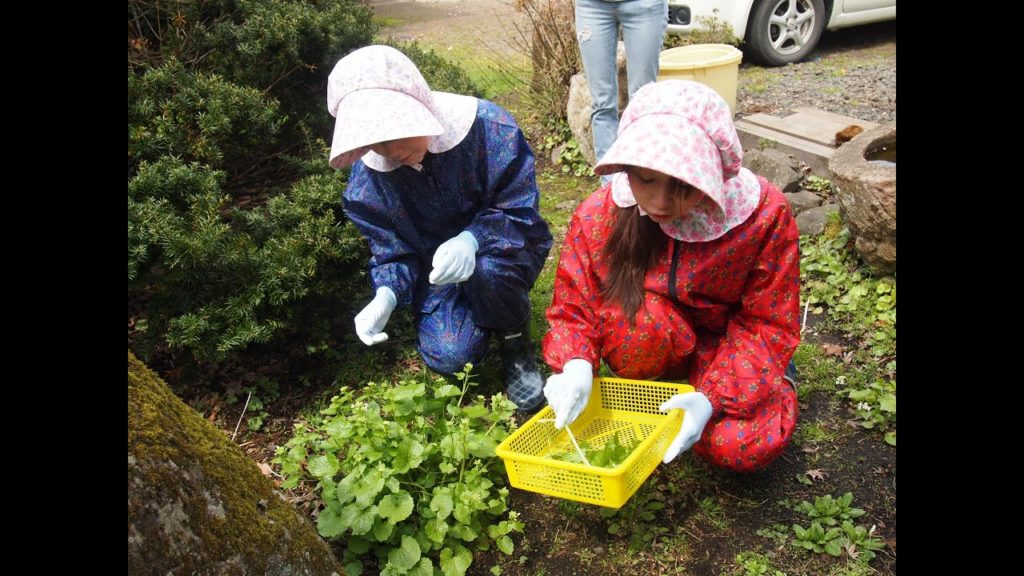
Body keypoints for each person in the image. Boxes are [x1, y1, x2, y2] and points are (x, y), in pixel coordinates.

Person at [542, 80, 800, 472]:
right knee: (630, 327)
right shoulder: (600, 215)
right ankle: (677, 384)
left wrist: (713, 397)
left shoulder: (763, 216)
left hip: (737, 345)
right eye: (645, 179)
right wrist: (575, 363)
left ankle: (769, 382)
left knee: (741, 445)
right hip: (664, 334)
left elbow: (768, 322)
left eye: (682, 185)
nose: (660, 202)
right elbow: (575, 302)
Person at [327, 45, 553, 411]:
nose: (392, 151)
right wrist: (385, 294)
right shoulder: (368, 183)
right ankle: (477, 316)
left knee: (488, 272)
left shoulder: (489, 129)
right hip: (438, 277)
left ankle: (516, 346)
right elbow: (393, 251)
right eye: (375, 141)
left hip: (505, 253)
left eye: (395, 132)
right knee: (450, 354)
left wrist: (473, 239)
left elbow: (520, 209)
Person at [575, 0, 668, 180]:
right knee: (602, 105)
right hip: (592, 6)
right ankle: (610, 188)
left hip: (645, 5)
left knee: (643, 103)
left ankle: (642, 182)